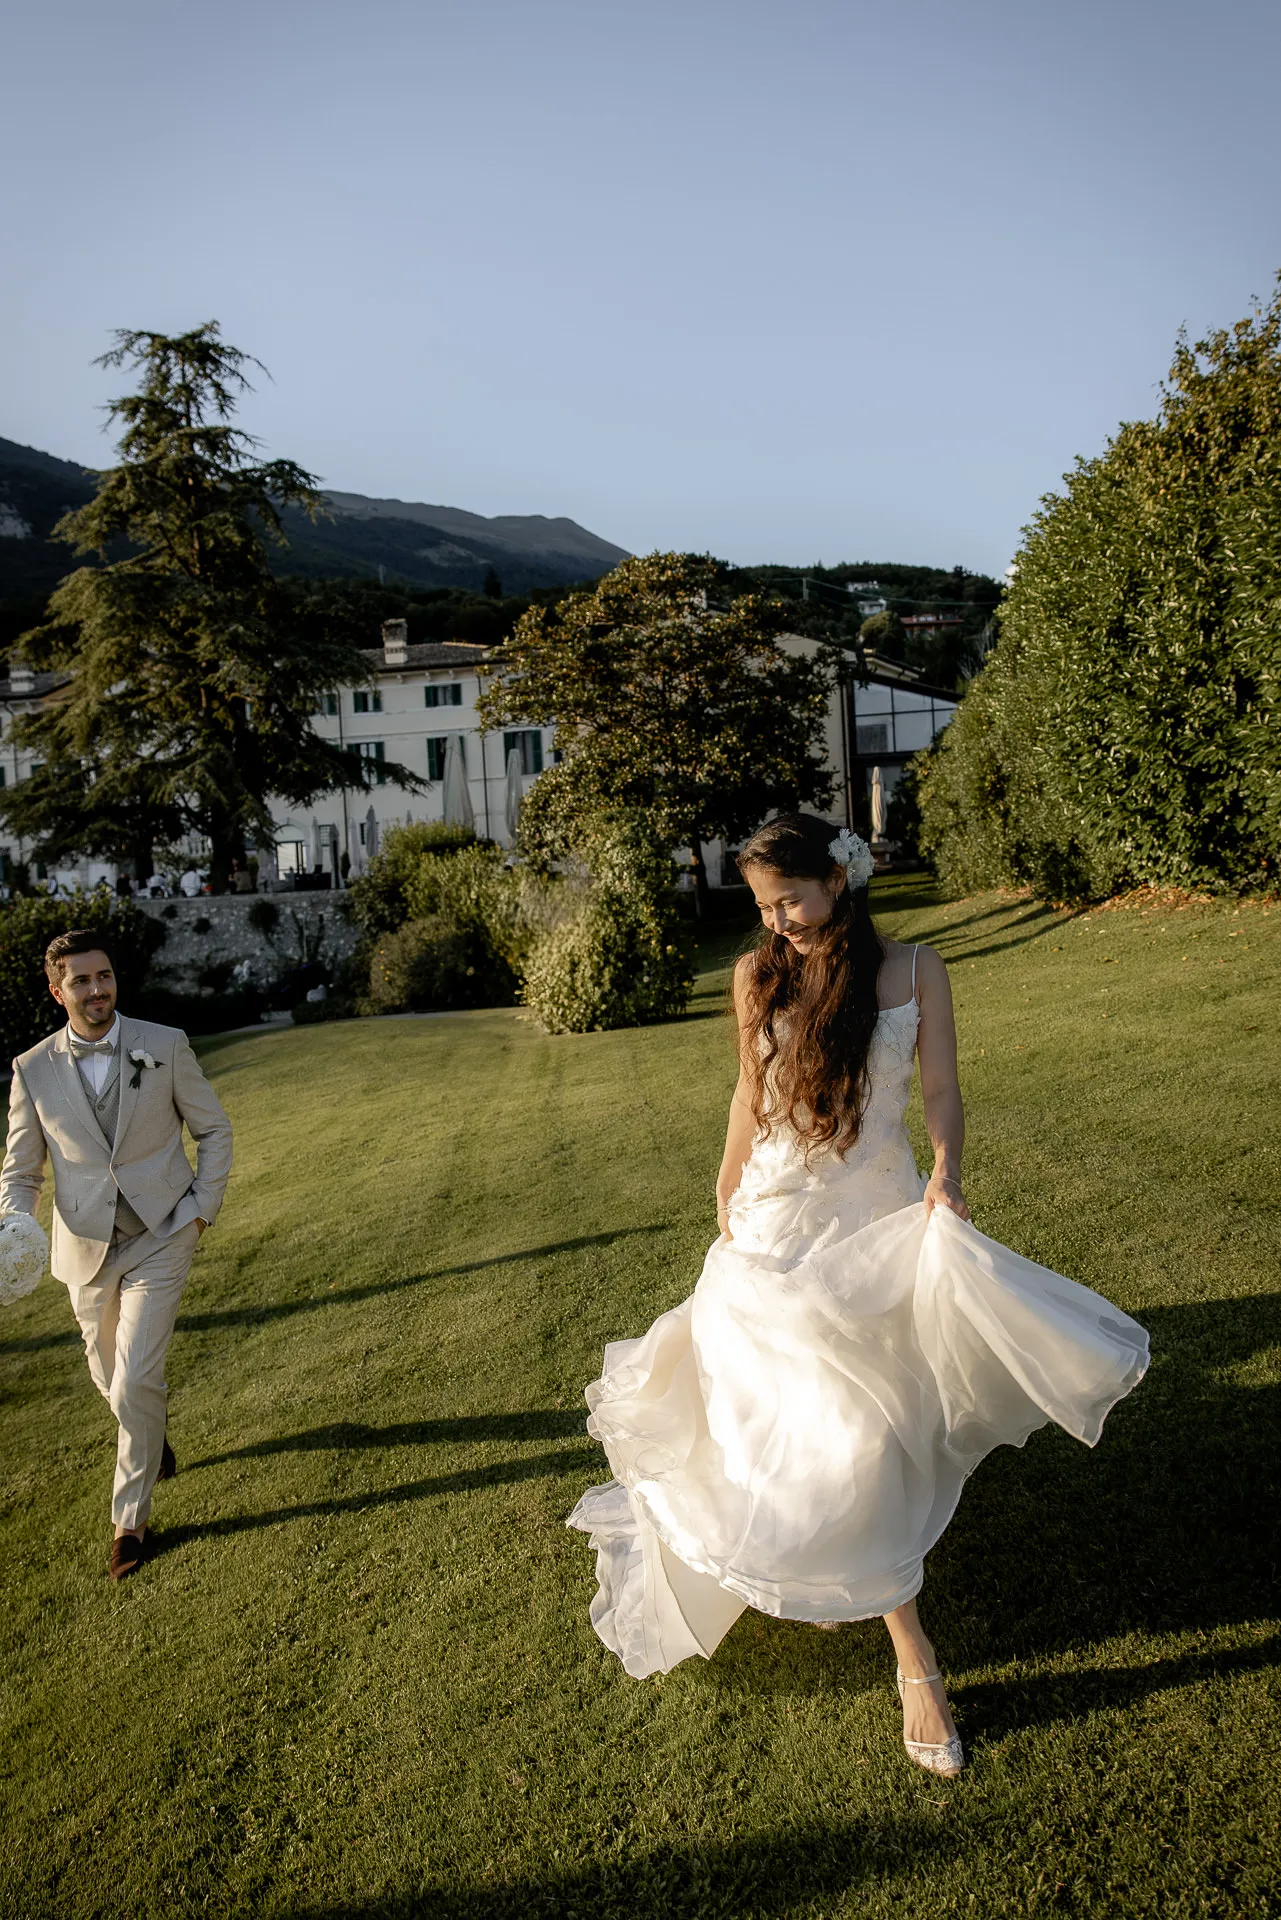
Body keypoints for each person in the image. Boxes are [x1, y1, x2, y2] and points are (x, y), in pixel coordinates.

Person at [568, 815, 1148, 1777]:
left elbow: (941, 1094)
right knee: (800, 1421)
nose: (778, 921)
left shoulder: (917, 972)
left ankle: (906, 1647)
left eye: (789, 898)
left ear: (840, 879)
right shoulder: (759, 976)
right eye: (761, 906)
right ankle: (909, 1649)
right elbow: (746, 1095)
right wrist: (724, 1184)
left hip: (872, 1217)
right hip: (771, 1220)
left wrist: (947, 1172)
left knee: (867, 1431)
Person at [0, 929, 233, 1581]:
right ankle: (150, 1433)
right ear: (57, 991)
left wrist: (199, 1210)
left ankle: (128, 1524)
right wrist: (14, 1224)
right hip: (84, 1249)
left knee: (134, 1379)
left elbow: (213, 1129)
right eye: (81, 980)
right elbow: (20, 1172)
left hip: (163, 1233)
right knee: (110, 1377)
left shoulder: (160, 1047)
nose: (97, 989)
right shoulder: (32, 1069)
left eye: (104, 976)